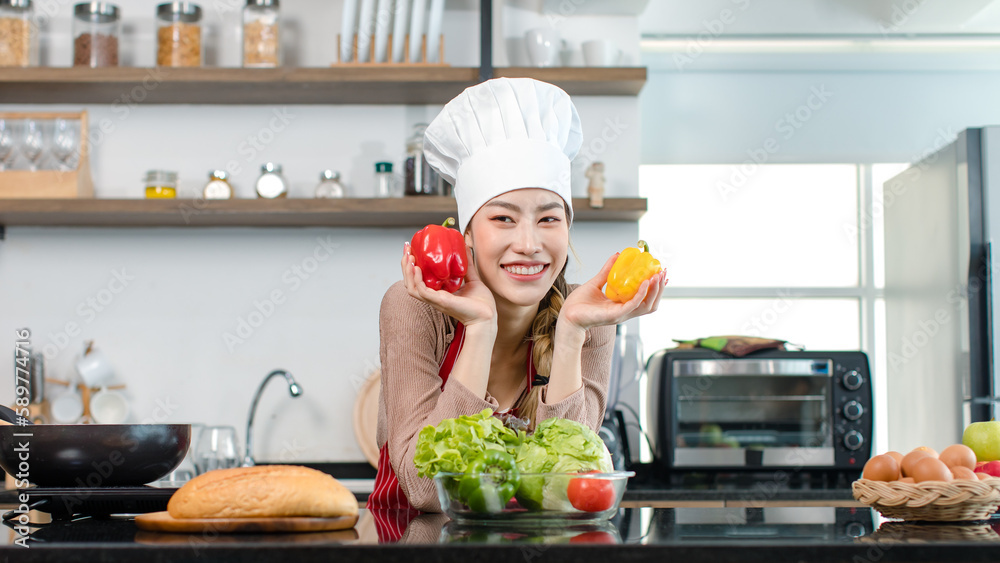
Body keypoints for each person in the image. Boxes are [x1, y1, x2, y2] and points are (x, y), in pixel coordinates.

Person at [368, 78, 667, 524]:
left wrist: (570, 334)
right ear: (467, 233)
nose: (528, 243)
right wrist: (480, 330)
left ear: (567, 229)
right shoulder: (416, 307)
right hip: (423, 544)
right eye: (503, 218)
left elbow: (570, 483)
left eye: (548, 218)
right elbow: (426, 489)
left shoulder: (589, 317)